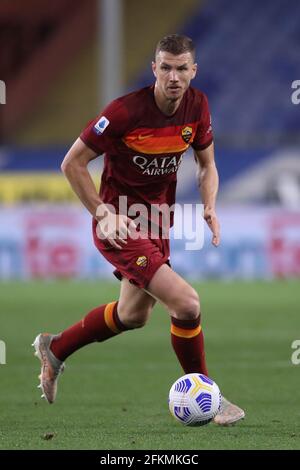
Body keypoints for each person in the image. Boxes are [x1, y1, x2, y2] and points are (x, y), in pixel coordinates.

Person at [33, 34, 245, 426]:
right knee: (186, 303)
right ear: (154, 69)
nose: (174, 76)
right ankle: (208, 395)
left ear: (193, 71)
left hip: (158, 223)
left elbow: (206, 165)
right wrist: (101, 213)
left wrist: (210, 204)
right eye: (165, 67)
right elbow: (72, 164)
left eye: (182, 68)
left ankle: (56, 347)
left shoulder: (198, 106)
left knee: (132, 315)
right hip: (120, 222)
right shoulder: (124, 112)